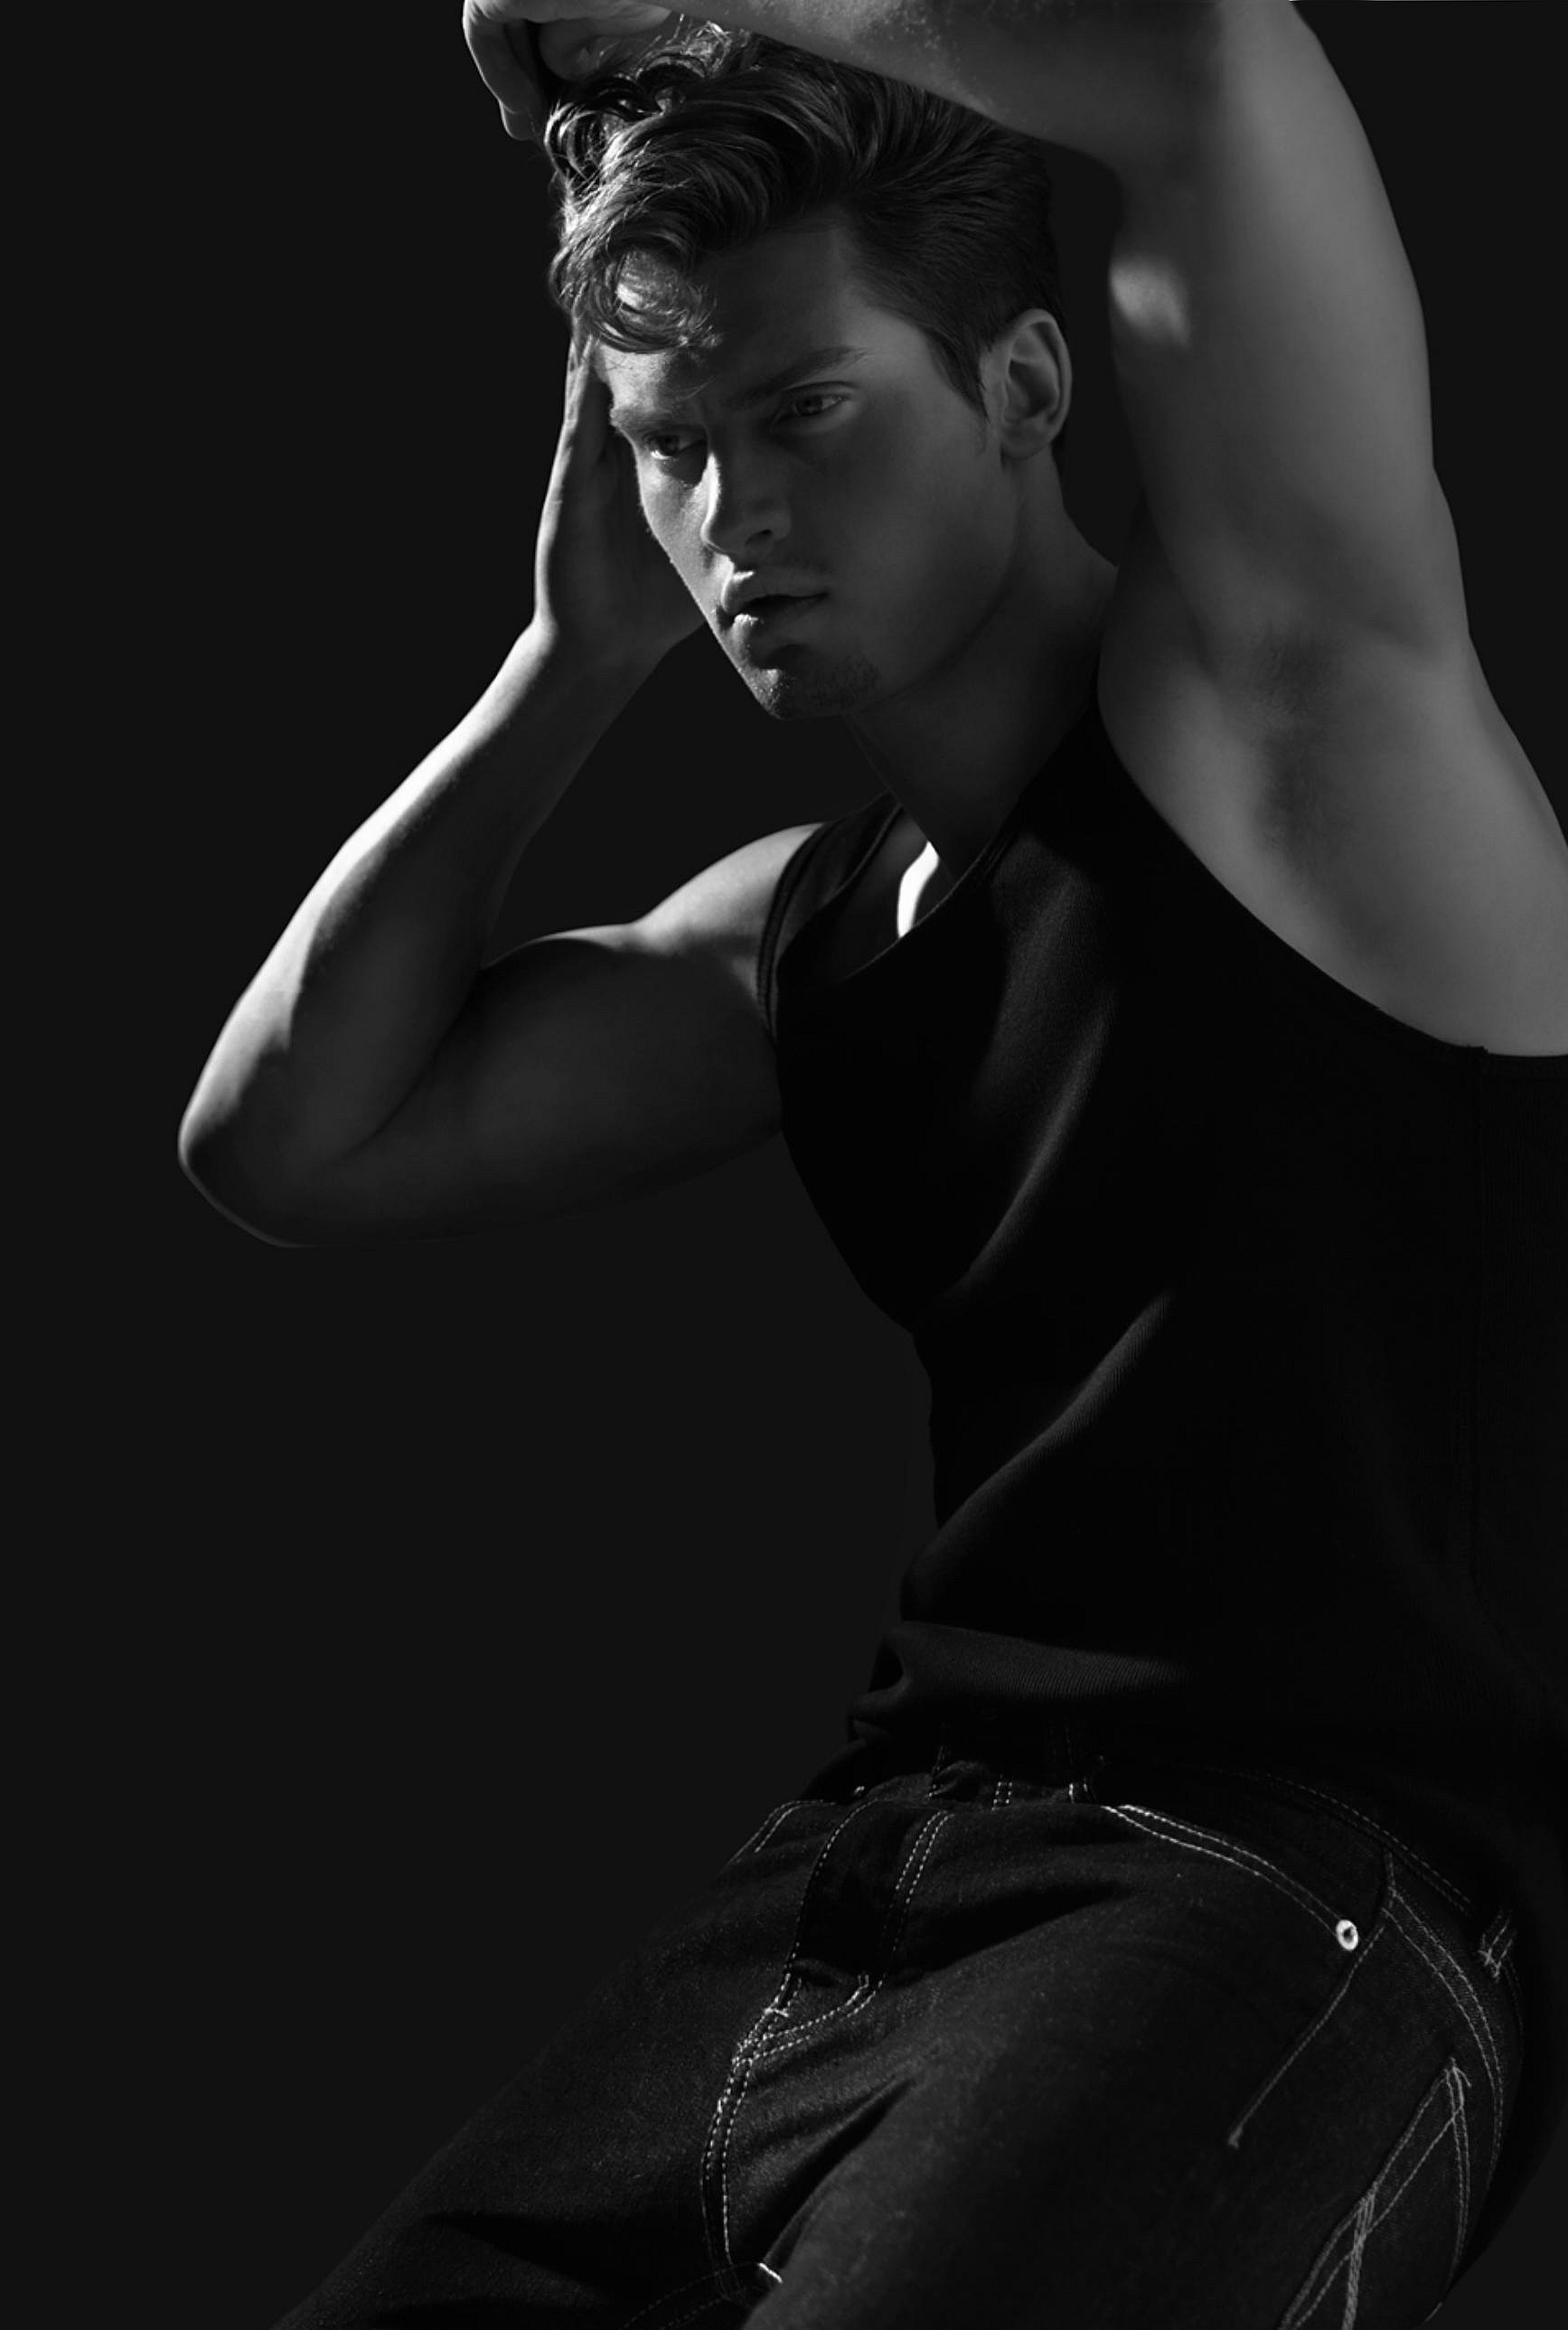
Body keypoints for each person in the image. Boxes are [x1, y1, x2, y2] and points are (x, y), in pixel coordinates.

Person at [180, 5, 1568, 2322]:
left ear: (1024, 384)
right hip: (846, 1895)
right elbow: (292, 1139)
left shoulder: (1293, 729)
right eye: (671, 446)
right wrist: (564, 658)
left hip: (1272, 1900)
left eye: (804, 410)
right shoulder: (801, 941)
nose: (733, 517)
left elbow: (1212, 66)